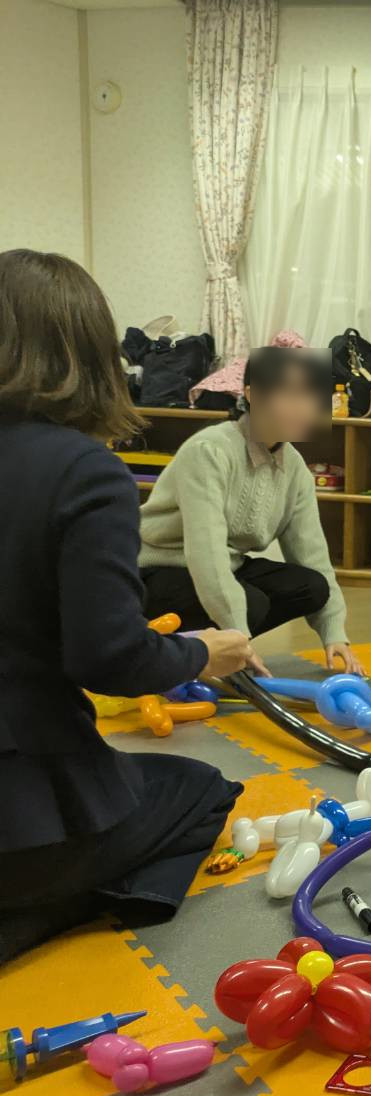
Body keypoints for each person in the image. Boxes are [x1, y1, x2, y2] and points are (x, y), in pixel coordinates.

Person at [0, 249, 254, 961]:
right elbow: (107, 656)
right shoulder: (85, 471)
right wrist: (203, 653)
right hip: (21, 826)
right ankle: (39, 916)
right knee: (204, 788)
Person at [139, 347, 363, 675]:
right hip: (154, 572)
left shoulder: (295, 468)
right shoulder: (209, 450)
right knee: (249, 604)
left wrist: (334, 633)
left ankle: (219, 644)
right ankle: (181, 650)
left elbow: (312, 553)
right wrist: (238, 631)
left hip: (224, 565)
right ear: (251, 395)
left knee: (312, 586)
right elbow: (206, 552)